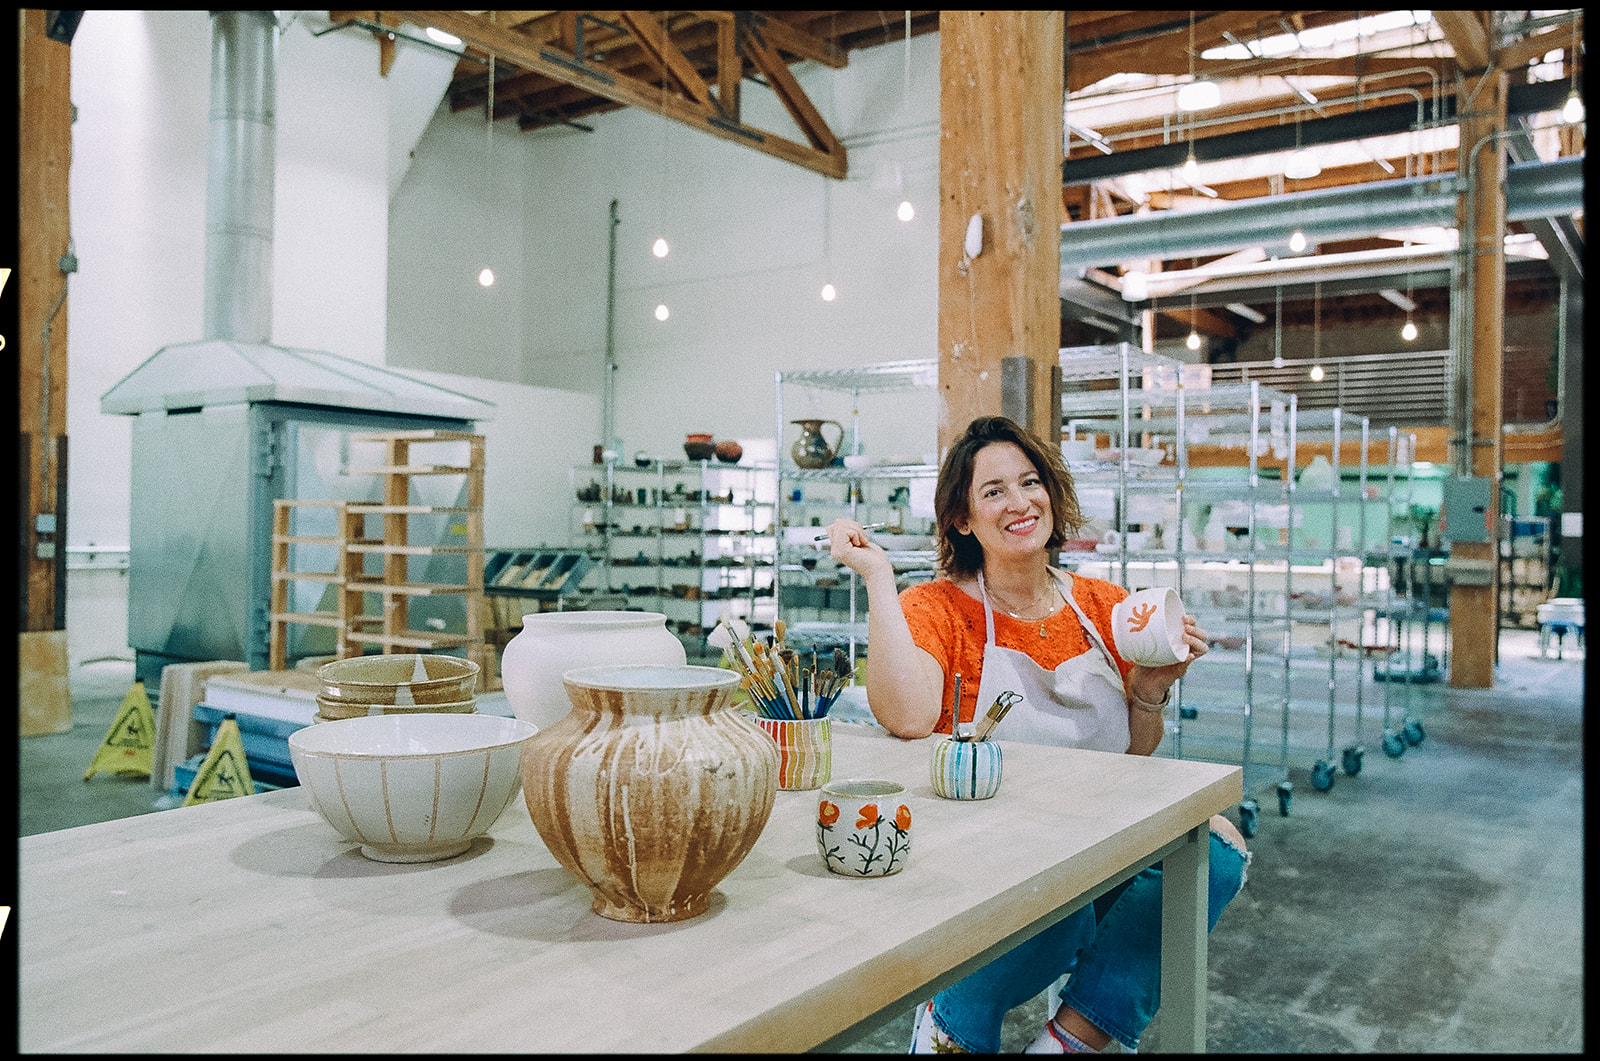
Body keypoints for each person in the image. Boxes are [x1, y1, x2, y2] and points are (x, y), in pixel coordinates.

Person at [824, 414, 1250, 1054]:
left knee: (1218, 853)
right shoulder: (939, 609)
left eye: (1030, 482)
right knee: (1054, 912)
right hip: (983, 866)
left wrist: (1152, 690)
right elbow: (909, 717)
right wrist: (879, 578)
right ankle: (951, 1025)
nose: (1020, 502)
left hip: (1093, 841)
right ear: (963, 519)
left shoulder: (1106, 607)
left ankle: (1072, 1040)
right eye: (993, 491)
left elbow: (1134, 752)